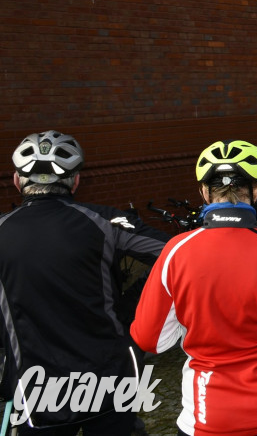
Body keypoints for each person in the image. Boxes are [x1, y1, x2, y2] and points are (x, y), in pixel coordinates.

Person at [132, 140, 257, 436]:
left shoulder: (176, 251)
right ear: (255, 190)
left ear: (204, 192)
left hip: (206, 417)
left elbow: (150, 339)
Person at [0, 131, 167, 435]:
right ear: (75, 182)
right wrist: (131, 305)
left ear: (16, 180)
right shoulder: (104, 222)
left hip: (37, 389)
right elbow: (175, 255)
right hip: (108, 379)